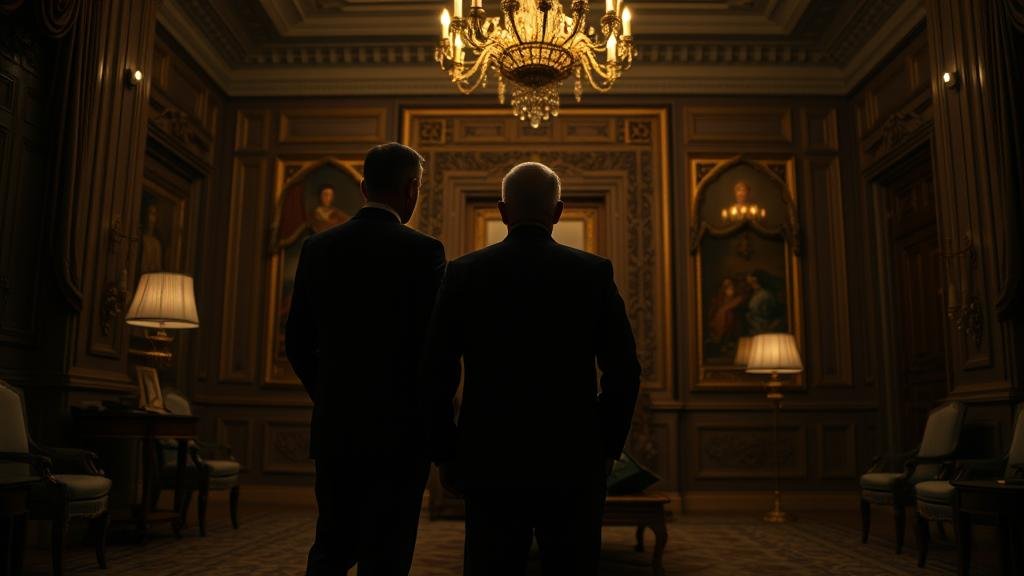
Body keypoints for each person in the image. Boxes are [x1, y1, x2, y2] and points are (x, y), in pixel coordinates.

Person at [425, 162, 641, 576]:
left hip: (490, 457)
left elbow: (436, 369)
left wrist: (446, 453)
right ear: (558, 211)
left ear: (503, 211)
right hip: (573, 457)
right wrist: (606, 446)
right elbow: (624, 370)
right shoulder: (592, 273)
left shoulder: (465, 272)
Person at [285, 142, 446, 576]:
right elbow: (436, 351)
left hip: (338, 427)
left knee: (332, 547)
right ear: (412, 188)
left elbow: (297, 342)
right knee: (387, 555)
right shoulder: (425, 252)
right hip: (402, 432)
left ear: (362, 187)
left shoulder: (319, 248)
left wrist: (331, 394)